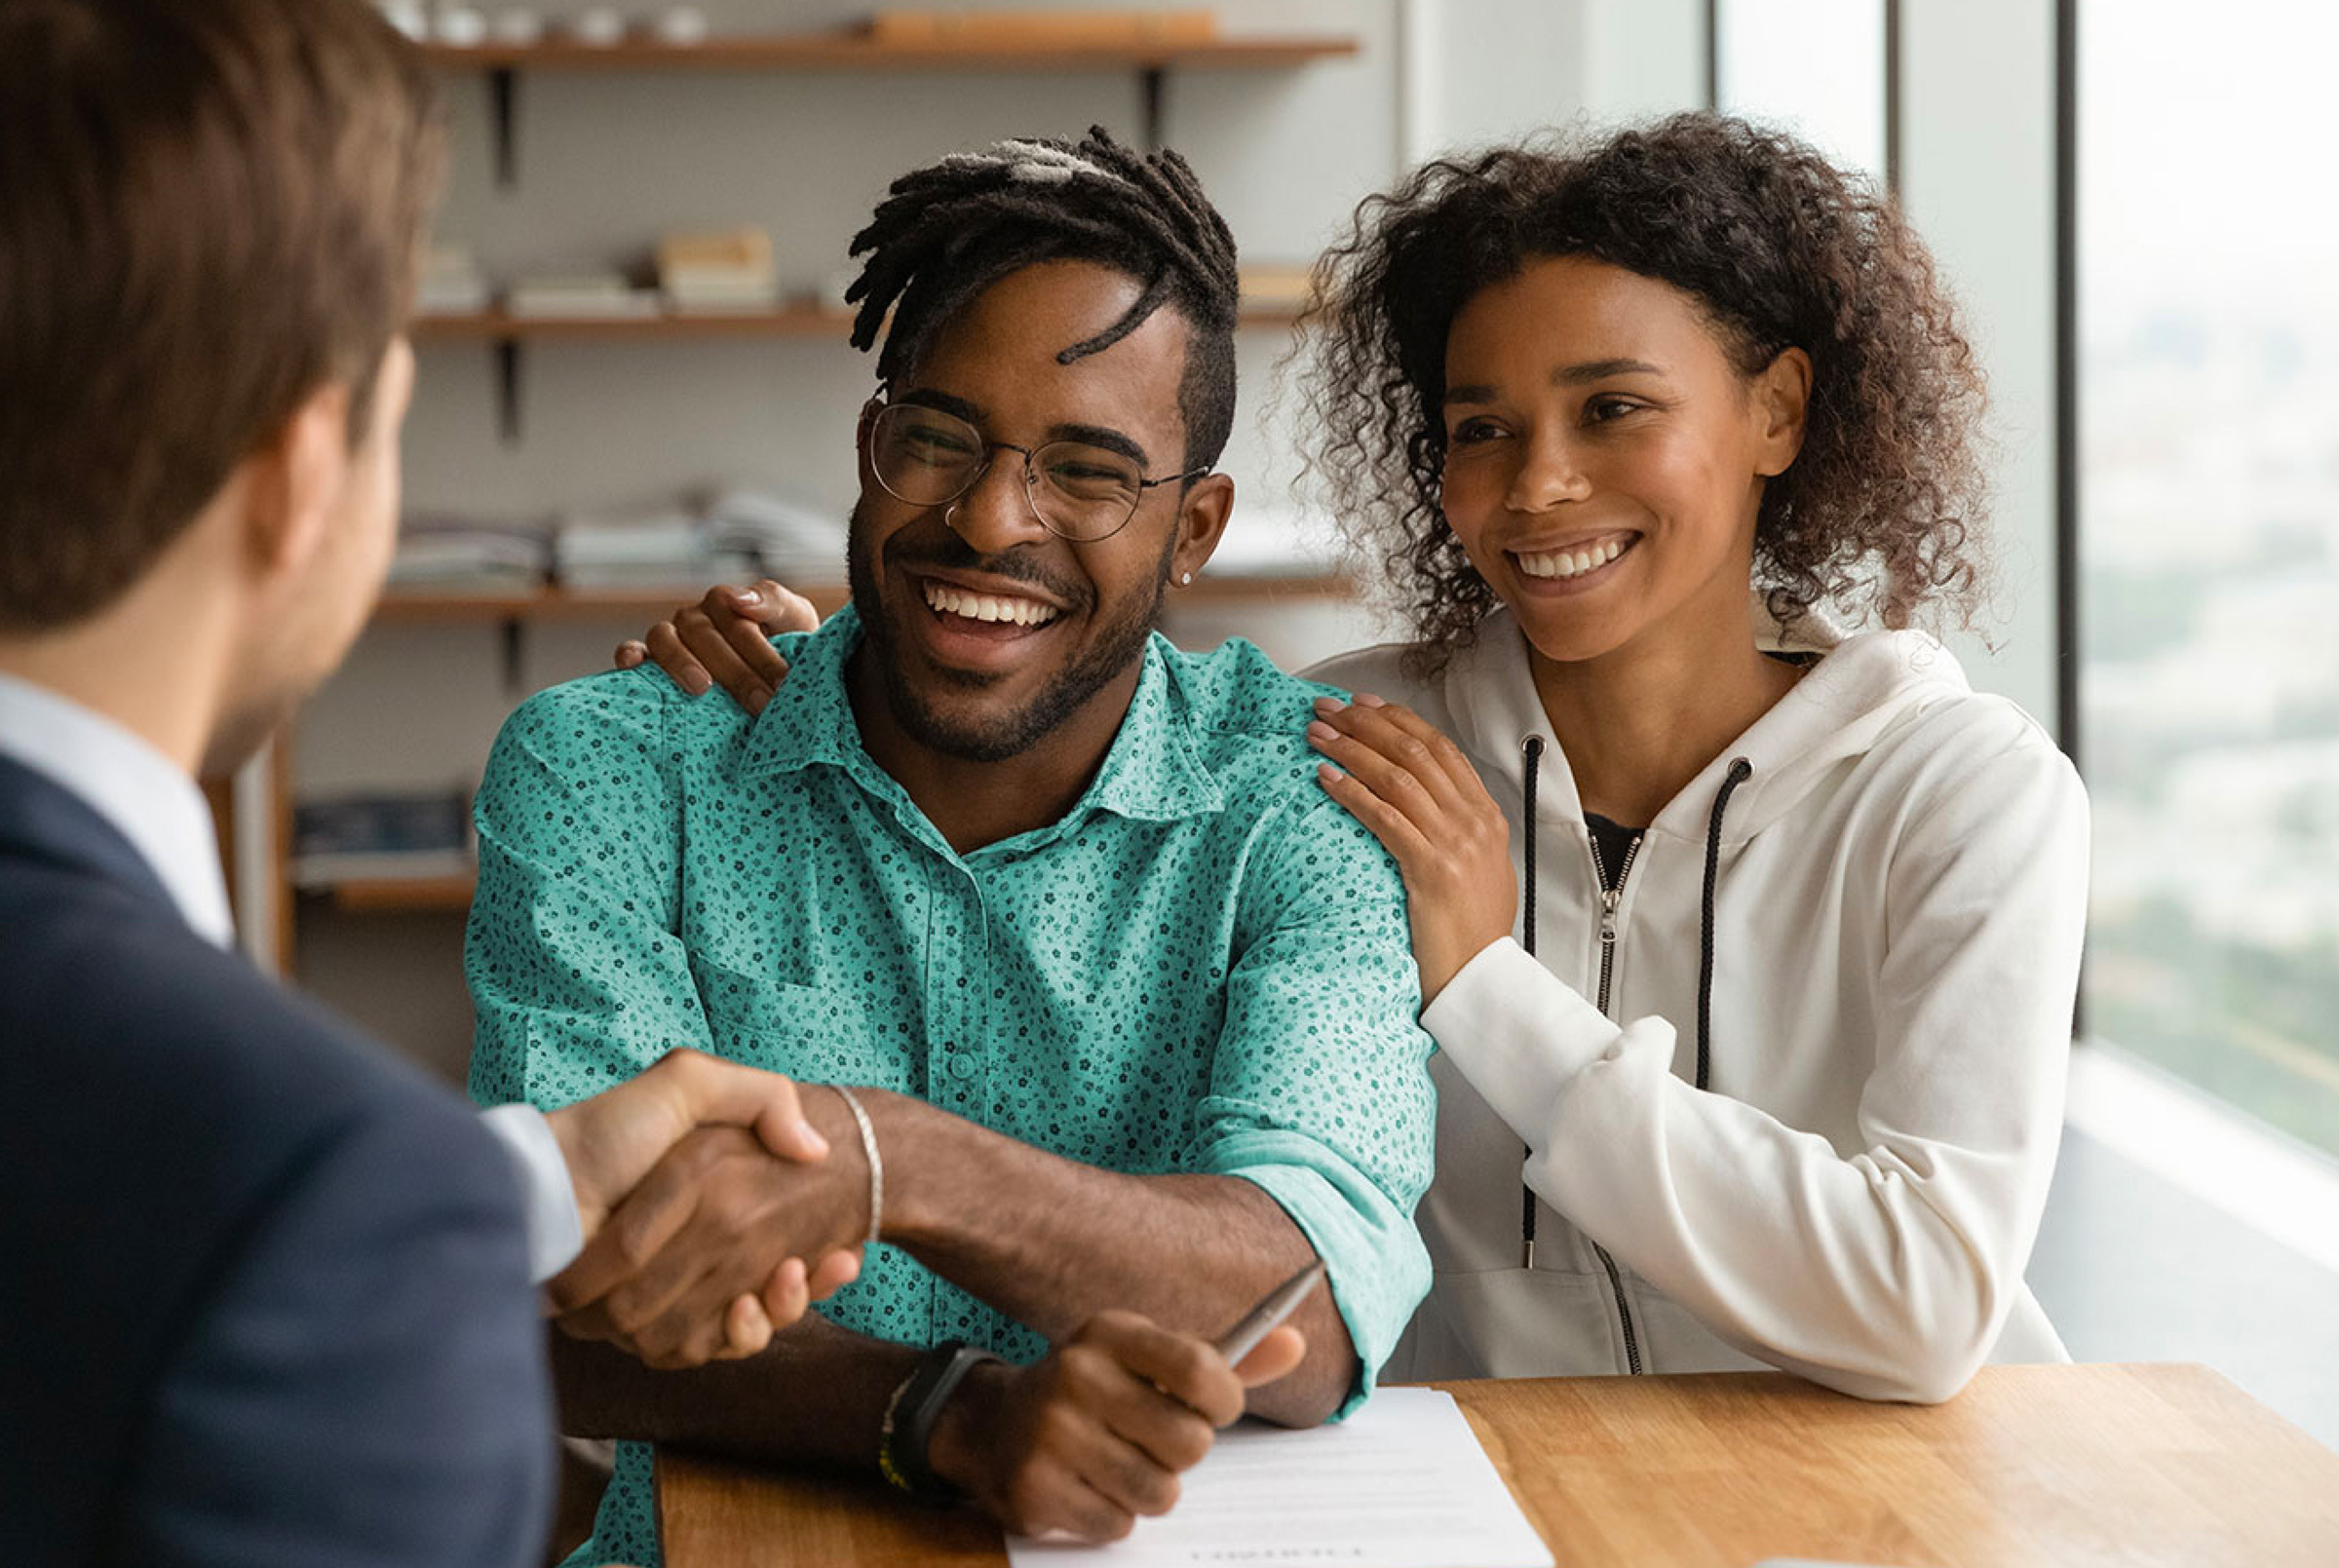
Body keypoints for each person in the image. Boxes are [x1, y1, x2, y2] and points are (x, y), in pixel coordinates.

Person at [636, 115, 2089, 1405]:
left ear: (1775, 410)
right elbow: (1054, 700)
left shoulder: (1962, 792)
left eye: (1614, 408)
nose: (1541, 484)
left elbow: (1925, 1303)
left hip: (1900, 1501)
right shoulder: (1341, 750)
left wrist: (1487, 989)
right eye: (1481, 429)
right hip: (1482, 1497)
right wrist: (789, 669)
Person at [466, 129, 1437, 1562]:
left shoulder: (1300, 800)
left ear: (1196, 529)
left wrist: (895, 1161)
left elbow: (1303, 1308)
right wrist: (952, 1414)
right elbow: (562, 1307)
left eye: (1090, 472)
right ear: (872, 445)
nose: (989, 520)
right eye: (939, 441)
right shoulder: (614, 765)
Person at [0, 4, 848, 1563]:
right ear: (300, 473)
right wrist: (408, 1216)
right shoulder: (331, 1227)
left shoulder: (345, 1198)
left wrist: (524, 1180)